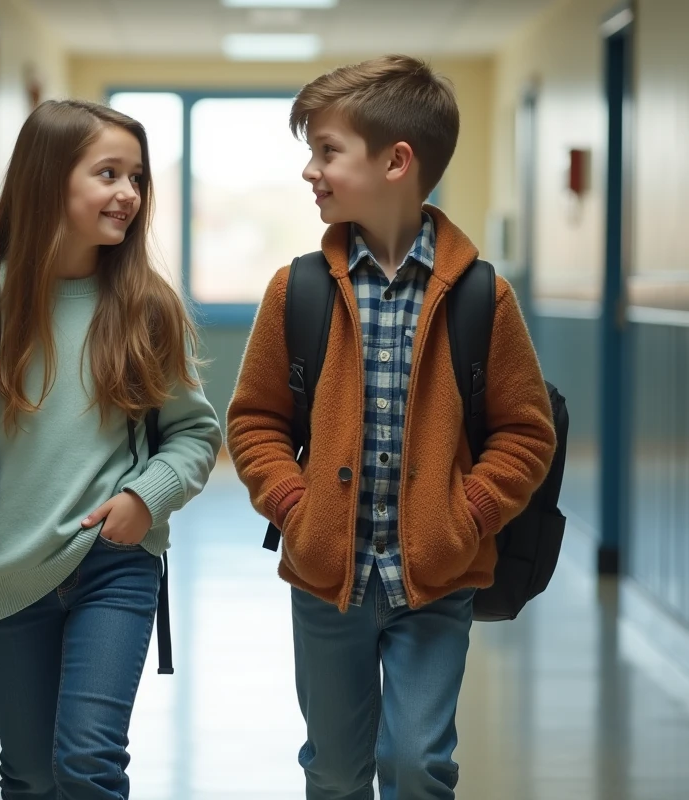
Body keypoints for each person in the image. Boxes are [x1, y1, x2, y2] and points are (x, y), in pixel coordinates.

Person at [226, 55, 557, 799]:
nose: (311, 170)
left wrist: (464, 515)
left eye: (327, 151)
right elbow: (254, 420)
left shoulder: (482, 296)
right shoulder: (297, 290)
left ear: (396, 161)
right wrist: (293, 507)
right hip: (325, 579)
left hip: (435, 579)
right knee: (337, 770)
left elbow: (527, 432)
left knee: (417, 763)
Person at [0, 99, 222, 800]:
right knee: (33, 776)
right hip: (6, 567)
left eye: (137, 178)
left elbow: (195, 435)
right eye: (109, 173)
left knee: (88, 765)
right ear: (48, 181)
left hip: (116, 562)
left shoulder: (145, 305)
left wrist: (144, 498)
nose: (129, 193)